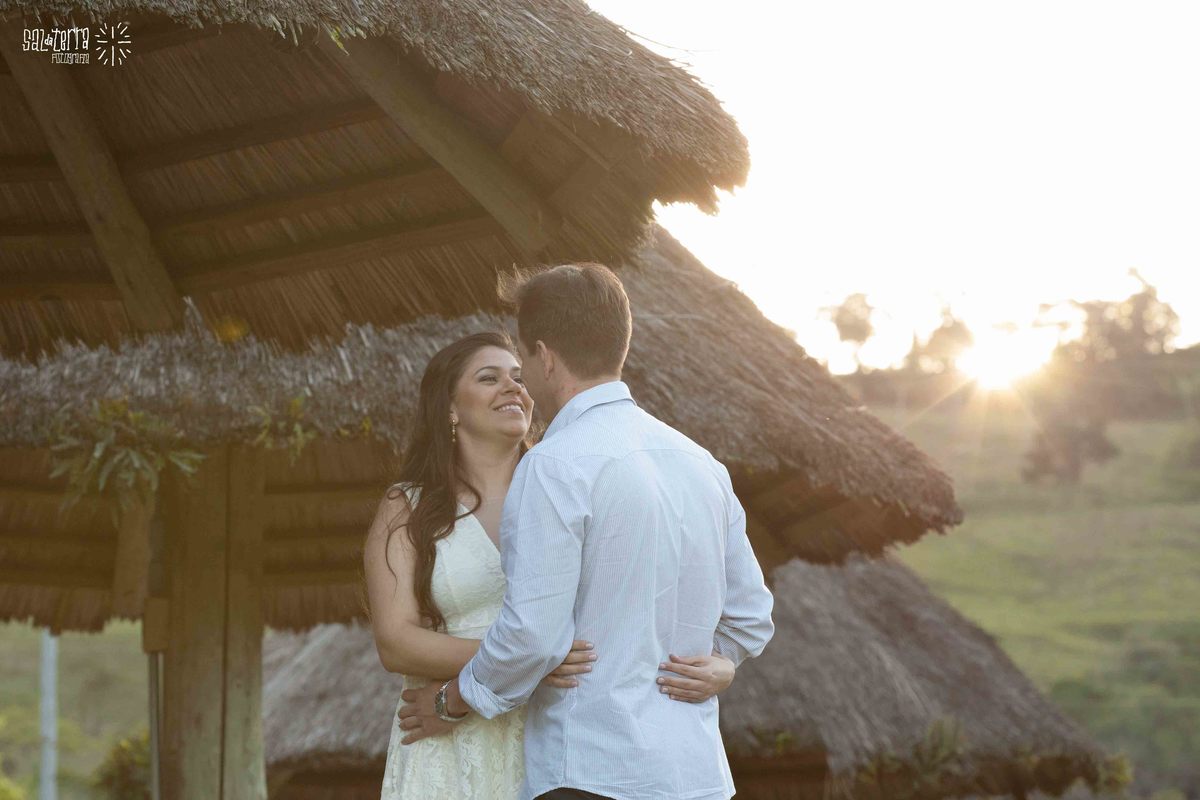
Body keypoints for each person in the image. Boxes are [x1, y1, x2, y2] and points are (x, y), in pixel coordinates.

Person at [396, 264, 775, 800]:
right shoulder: (701, 464)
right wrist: (723, 661)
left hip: (593, 773)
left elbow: (534, 638)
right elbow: (751, 615)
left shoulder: (555, 464)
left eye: (523, 362)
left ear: (545, 357)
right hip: (697, 776)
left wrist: (451, 702)